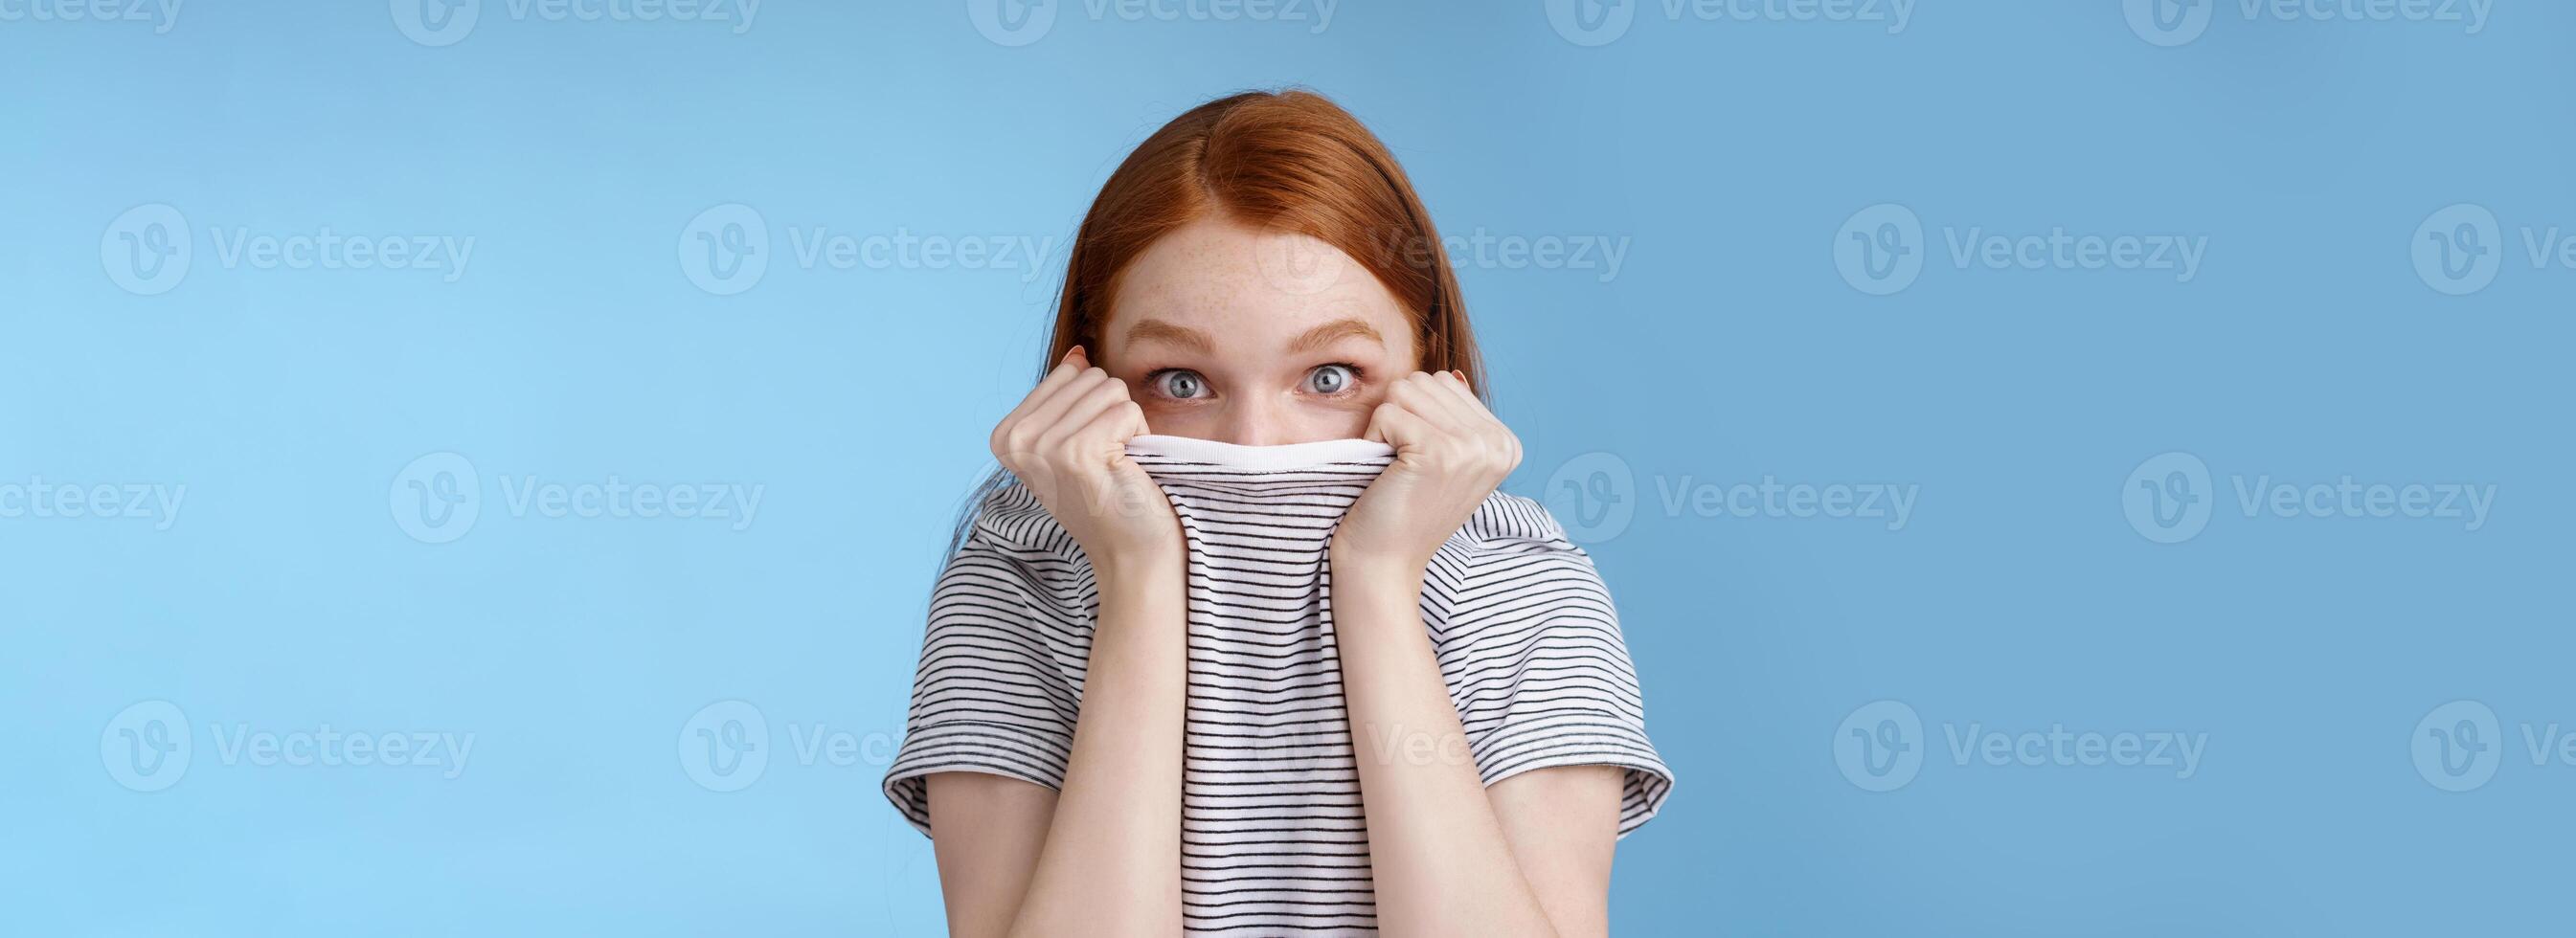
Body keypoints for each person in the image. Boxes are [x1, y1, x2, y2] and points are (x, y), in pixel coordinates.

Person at [884, 89, 1671, 937]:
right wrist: (1139, 582)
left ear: (1429, 368)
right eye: (1181, 383)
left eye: (1328, 377)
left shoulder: (1521, 588)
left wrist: (1375, 582)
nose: (1258, 448)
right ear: (1092, 380)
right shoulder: (1019, 582)